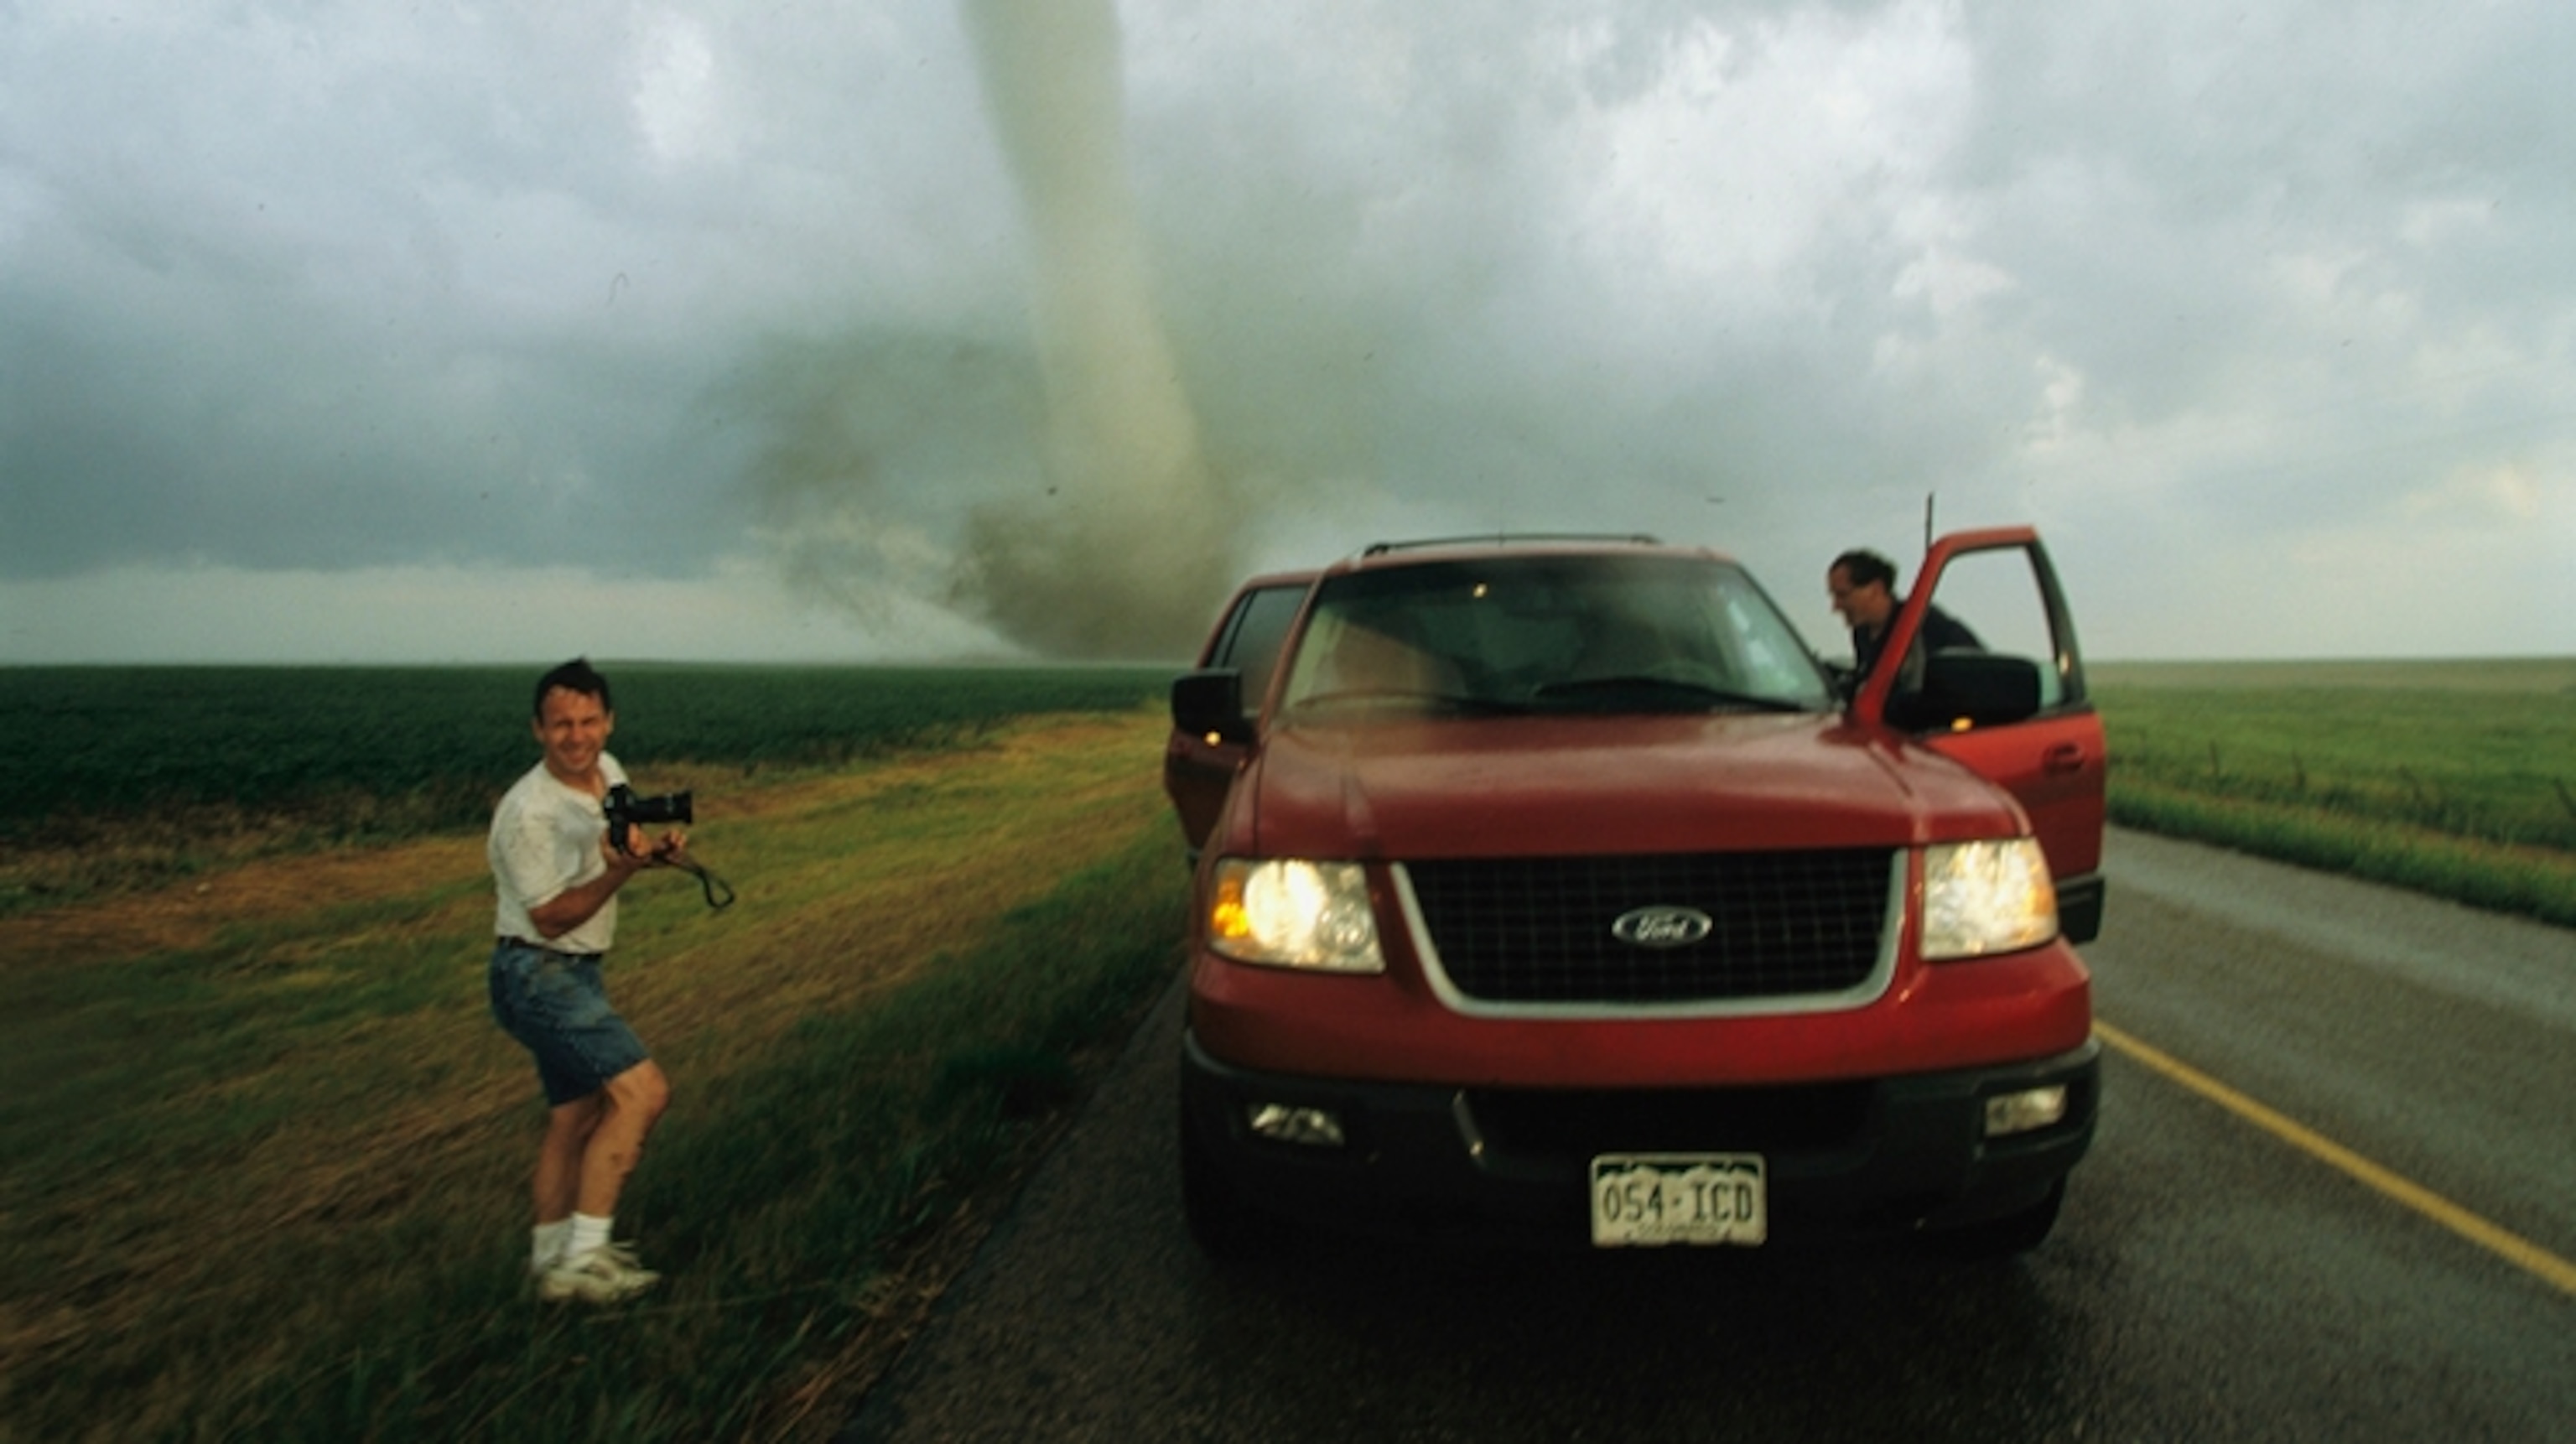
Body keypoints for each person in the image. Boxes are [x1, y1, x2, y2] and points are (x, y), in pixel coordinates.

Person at [486, 658, 683, 1305]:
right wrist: (622, 873)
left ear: (609, 720)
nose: (577, 736)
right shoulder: (527, 814)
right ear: (536, 730)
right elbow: (548, 918)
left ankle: (549, 1265)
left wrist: (649, 854)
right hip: (536, 972)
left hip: (574, 971)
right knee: (642, 1095)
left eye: (589, 720)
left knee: (575, 1117)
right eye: (561, 724)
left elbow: (614, 839)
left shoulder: (611, 771)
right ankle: (587, 1260)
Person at [1827, 548, 1981, 678]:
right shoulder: (1862, 633)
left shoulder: (1924, 622)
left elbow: (1976, 669)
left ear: (1876, 589)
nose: (1835, 606)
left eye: (1843, 595)